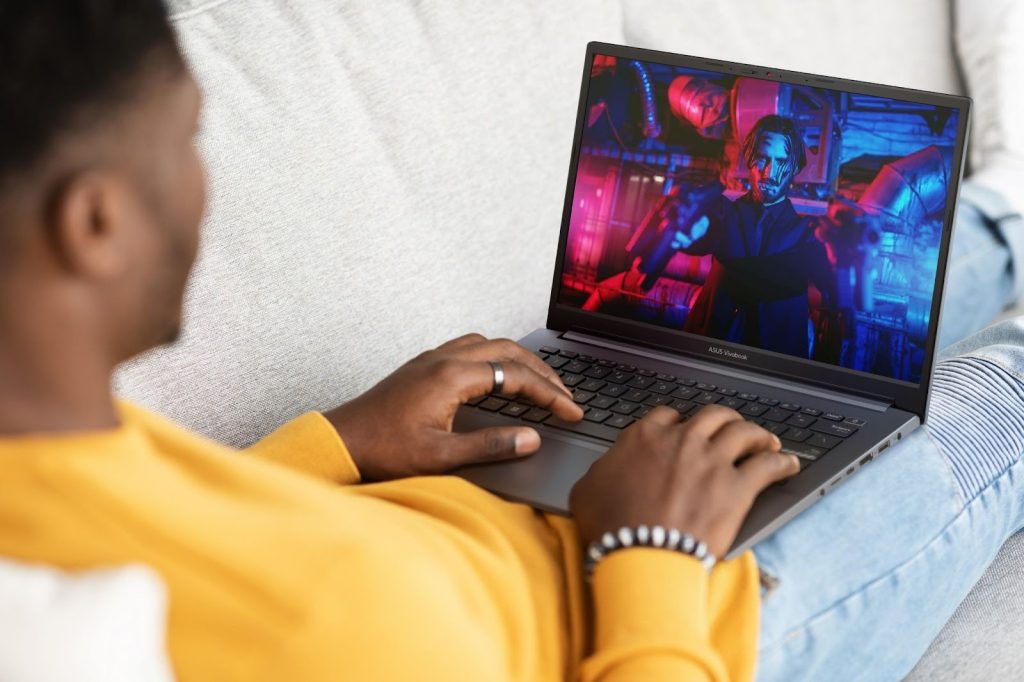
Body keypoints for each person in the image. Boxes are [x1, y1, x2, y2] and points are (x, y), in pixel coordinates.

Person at [2, 2, 1024, 681]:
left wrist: (339, 443)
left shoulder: (50, 452)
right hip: (692, 607)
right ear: (92, 223)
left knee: (938, 279)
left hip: (554, 493)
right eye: (185, 141)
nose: (202, 184)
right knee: (1004, 390)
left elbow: (189, 547)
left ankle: (1004, 212)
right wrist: (648, 552)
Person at [674, 115, 837, 357]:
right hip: (708, 357)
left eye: (781, 161)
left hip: (771, 372)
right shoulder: (724, 213)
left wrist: (844, 256)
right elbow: (705, 230)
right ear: (749, 160)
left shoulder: (808, 235)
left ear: (794, 168)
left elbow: (830, 282)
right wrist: (691, 231)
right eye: (762, 159)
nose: (770, 173)